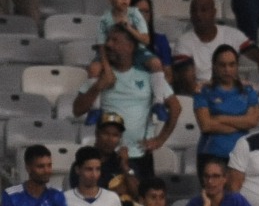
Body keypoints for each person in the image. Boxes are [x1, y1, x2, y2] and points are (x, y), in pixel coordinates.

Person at [72, 27, 180, 180]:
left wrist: (160, 140)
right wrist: (98, 86)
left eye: (115, 40)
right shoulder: (100, 76)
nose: (109, 44)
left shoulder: (150, 76)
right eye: (108, 40)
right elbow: (77, 109)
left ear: (130, 46)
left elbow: (176, 107)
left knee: (139, 202)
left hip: (140, 155)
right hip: (106, 156)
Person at [175, 0, 259, 98]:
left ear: (214, 12)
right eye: (194, 11)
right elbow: (188, 81)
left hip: (232, 91)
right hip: (202, 95)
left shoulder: (232, 34)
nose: (198, 15)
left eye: (203, 10)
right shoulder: (184, 41)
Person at [194, 44, 259, 162]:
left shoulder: (248, 90)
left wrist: (219, 118)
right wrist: (241, 124)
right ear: (214, 66)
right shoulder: (202, 91)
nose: (227, 69)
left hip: (242, 156)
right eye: (222, 65)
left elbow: (253, 121)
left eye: (231, 64)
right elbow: (206, 125)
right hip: (211, 154)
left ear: (237, 66)